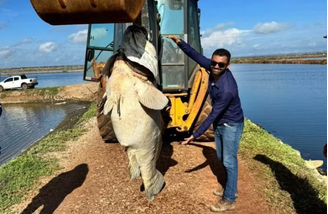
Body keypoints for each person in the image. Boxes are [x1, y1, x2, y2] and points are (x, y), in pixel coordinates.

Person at [166, 35, 244, 212]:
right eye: (214, 63)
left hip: (231, 125)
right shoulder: (212, 68)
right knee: (221, 158)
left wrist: (193, 136)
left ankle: (229, 199)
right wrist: (179, 42)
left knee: (229, 161)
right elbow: (194, 55)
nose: (216, 67)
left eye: (221, 65)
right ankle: (230, 189)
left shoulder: (227, 89)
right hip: (220, 123)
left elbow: (211, 116)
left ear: (228, 66)